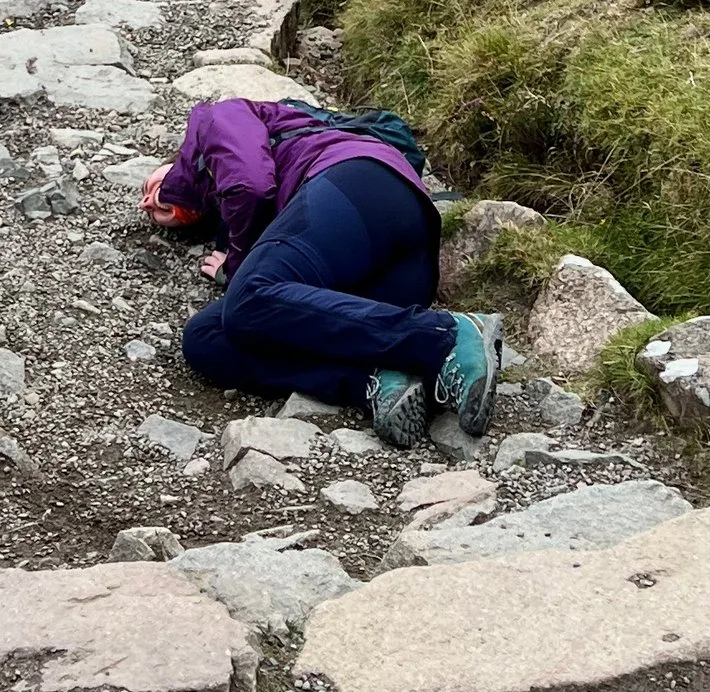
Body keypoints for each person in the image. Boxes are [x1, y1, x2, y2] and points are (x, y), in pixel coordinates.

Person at [142, 94, 499, 450]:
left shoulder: (215, 118)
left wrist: (237, 265)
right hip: (395, 265)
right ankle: (374, 377)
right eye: (147, 205)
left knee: (250, 296)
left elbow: (250, 184)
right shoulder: (222, 208)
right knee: (205, 337)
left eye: (148, 187)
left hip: (362, 184)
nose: (148, 201)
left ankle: (445, 335)